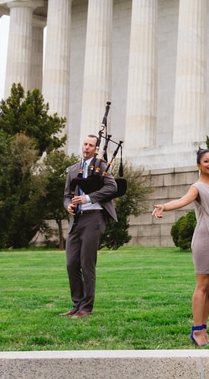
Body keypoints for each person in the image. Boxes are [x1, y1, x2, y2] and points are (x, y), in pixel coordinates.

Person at [152, 119, 209, 346]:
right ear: (198, 165)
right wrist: (163, 206)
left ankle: (203, 328)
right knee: (202, 285)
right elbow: (182, 201)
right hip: (204, 238)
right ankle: (197, 330)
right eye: (206, 161)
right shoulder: (197, 187)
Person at [61, 134, 118, 318]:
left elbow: (112, 187)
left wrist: (87, 198)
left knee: (87, 264)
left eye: (91, 145)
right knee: (71, 264)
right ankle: (77, 304)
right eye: (85, 144)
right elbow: (66, 195)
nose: (86, 147)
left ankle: (87, 307)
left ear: (95, 149)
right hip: (76, 219)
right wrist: (68, 205)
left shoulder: (101, 166)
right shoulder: (72, 170)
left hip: (94, 218)